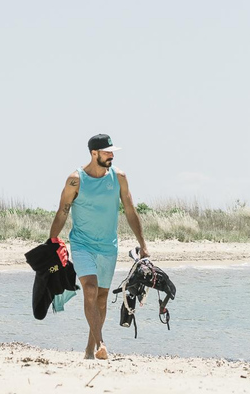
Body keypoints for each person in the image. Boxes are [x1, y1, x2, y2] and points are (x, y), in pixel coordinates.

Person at [49, 133, 150, 360]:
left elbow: (130, 210)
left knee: (102, 298)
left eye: (112, 152)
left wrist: (143, 244)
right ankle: (101, 342)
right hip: (82, 244)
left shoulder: (119, 177)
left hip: (108, 246)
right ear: (94, 153)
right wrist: (51, 242)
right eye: (107, 152)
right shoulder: (75, 180)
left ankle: (90, 349)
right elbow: (62, 212)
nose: (111, 156)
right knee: (90, 289)